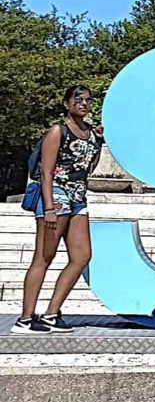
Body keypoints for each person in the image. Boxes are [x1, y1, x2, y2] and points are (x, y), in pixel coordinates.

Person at [13, 85, 103, 334]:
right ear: (66, 104)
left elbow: (88, 168)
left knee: (82, 255)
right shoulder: (57, 131)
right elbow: (46, 171)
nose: (83, 104)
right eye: (78, 99)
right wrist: (49, 207)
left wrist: (98, 141)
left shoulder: (92, 134)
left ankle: (52, 313)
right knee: (44, 257)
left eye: (87, 100)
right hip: (57, 195)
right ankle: (26, 318)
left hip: (78, 198)